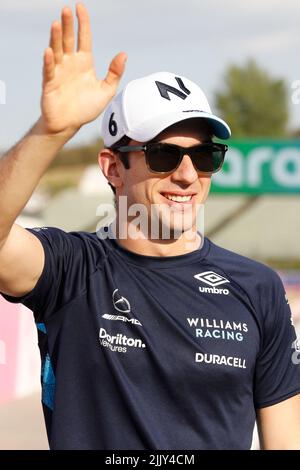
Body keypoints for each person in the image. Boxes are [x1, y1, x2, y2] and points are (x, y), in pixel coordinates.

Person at [0, 3, 300, 450]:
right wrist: (50, 132)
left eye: (204, 156)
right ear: (113, 168)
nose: (186, 174)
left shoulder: (257, 287)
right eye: (163, 155)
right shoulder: (73, 271)